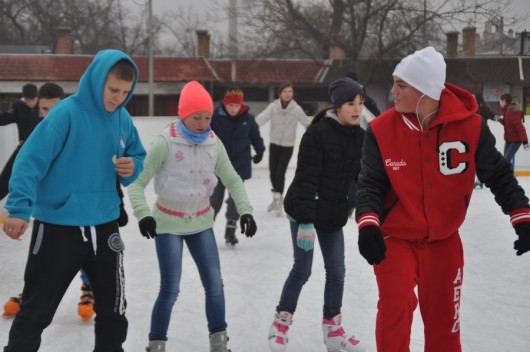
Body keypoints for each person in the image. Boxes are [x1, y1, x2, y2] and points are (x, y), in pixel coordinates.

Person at [355, 46, 530, 352]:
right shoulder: (381, 130)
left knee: (444, 322)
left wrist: (522, 215)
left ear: (426, 90)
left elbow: (499, 175)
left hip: (444, 241)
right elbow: (370, 183)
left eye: (402, 84)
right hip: (395, 238)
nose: (393, 90)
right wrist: (368, 224)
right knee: (394, 310)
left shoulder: (471, 126)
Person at [2, 49, 146, 352]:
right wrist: (18, 209)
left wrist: (133, 166)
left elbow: (137, 155)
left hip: (105, 227)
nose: (119, 97)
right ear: (96, 81)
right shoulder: (66, 113)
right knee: (36, 312)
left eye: (125, 91)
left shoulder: (122, 119)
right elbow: (28, 162)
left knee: (113, 311)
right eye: (113, 90)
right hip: (58, 229)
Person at [127, 81, 257, 352]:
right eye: (196, 117)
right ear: (183, 114)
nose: (202, 123)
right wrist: (143, 215)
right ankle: (156, 344)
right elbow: (137, 183)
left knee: (215, 284)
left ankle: (219, 343)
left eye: (207, 117)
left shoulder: (213, 142)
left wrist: (245, 210)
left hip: (201, 222)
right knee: (170, 288)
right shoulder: (165, 141)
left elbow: (232, 179)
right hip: (168, 223)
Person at [1, 82, 129, 322]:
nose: (47, 115)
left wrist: (119, 202)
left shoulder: (77, 122)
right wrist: (19, 207)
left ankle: (88, 287)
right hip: (53, 213)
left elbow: (102, 170)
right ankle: (32, 293)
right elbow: (20, 166)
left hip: (91, 212)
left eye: (52, 109)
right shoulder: (43, 130)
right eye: (43, 109)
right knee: (48, 262)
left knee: (88, 247)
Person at [268, 77, 366, 352]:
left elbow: (361, 178)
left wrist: (355, 201)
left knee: (337, 271)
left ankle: (333, 330)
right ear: (338, 105)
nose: (357, 109)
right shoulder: (318, 134)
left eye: (360, 103)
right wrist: (306, 222)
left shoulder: (360, 136)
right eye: (351, 103)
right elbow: (306, 180)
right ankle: (280, 325)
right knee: (303, 268)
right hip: (304, 210)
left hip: (333, 212)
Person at [210, 87, 265, 246]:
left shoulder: (248, 118)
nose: (234, 109)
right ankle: (206, 228)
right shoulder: (215, 117)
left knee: (235, 200)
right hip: (218, 166)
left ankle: (230, 229)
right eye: (231, 106)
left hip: (239, 166)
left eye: (237, 106)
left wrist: (260, 150)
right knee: (215, 199)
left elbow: (255, 136)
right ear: (225, 105)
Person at [256, 82, 311, 216]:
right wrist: (249, 127)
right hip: (274, 143)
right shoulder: (273, 107)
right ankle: (276, 197)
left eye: (290, 91)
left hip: (287, 145)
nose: (288, 94)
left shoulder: (296, 109)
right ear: (280, 94)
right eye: (285, 91)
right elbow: (261, 119)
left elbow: (307, 122)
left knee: (280, 173)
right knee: (273, 173)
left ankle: (279, 200)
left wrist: (321, 124)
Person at [0, 83, 40, 217]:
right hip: (24, 148)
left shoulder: (42, 107)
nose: (32, 103)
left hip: (43, 148)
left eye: (34, 99)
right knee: (7, 178)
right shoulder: (18, 107)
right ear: (25, 98)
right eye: (29, 100)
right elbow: (3, 119)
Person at [493, 92, 529, 170]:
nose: (500, 103)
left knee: (506, 161)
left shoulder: (512, 112)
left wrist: (525, 142)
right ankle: (510, 178)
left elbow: (520, 128)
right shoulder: (507, 111)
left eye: (500, 101)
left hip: (516, 140)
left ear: (504, 101)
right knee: (506, 161)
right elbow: (507, 124)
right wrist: (499, 119)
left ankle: (509, 179)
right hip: (509, 140)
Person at [473, 93, 495, 188]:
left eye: (473, 97)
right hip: (475, 135)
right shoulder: (472, 108)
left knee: (479, 159)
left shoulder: (482, 109)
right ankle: (479, 180)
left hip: (481, 136)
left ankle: (480, 180)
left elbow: (492, 116)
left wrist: (504, 120)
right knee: (475, 159)